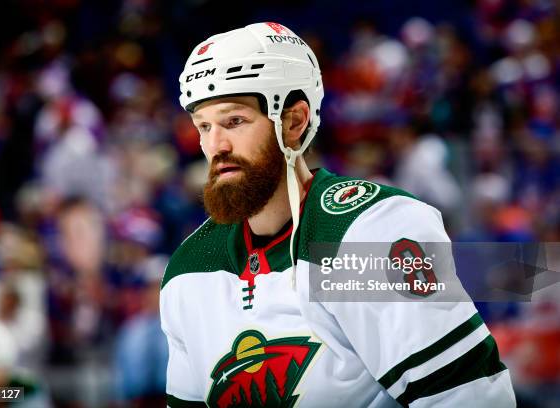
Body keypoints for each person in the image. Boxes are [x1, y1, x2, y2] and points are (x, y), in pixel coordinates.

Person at [160, 22, 516, 407]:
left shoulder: (364, 232)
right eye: (204, 126)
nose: (216, 145)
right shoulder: (188, 268)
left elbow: (467, 399)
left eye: (234, 122)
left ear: (294, 121)